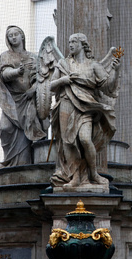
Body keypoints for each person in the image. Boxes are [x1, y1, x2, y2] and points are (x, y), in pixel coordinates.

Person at [49, 33, 120, 188]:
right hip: (66, 103)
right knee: (68, 141)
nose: (70, 44)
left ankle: (93, 173)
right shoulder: (63, 64)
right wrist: (63, 80)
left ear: (82, 44)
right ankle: (75, 177)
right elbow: (50, 86)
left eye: (74, 41)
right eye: (69, 42)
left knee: (85, 139)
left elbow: (108, 88)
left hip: (87, 106)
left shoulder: (94, 65)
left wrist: (116, 71)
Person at [0, 26, 48, 169]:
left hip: (29, 101)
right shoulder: (6, 56)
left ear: (22, 36)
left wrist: (33, 89)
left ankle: (24, 165)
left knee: (29, 131)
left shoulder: (33, 57)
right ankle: (9, 160)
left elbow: (41, 78)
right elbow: (4, 74)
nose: (13, 37)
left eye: (16, 34)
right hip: (12, 101)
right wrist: (17, 71)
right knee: (5, 127)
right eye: (10, 35)